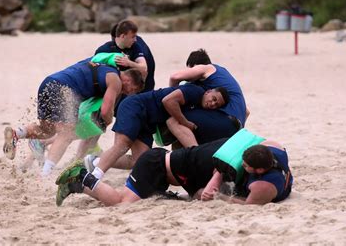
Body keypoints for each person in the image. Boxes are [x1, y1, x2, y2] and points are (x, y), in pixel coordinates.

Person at [2, 59, 144, 176]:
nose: (130, 94)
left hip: (49, 82)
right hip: (65, 89)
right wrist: (108, 121)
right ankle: (45, 174)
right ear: (130, 81)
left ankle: (16, 133)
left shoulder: (103, 65)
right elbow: (106, 110)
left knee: (46, 130)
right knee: (67, 133)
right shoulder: (116, 81)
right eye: (133, 90)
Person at [81, 84, 229, 183]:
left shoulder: (197, 105)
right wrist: (185, 122)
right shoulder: (195, 91)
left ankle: (95, 161)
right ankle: (94, 177)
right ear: (209, 92)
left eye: (217, 105)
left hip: (147, 123)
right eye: (214, 99)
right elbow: (168, 101)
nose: (213, 104)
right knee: (122, 145)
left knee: (139, 161)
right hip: (136, 107)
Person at [55, 138, 229, 206]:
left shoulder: (229, 150)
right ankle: (81, 175)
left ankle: (76, 185)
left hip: (163, 170)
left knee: (129, 198)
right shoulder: (222, 166)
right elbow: (203, 193)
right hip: (155, 166)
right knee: (120, 202)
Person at [75, 19, 156, 159]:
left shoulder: (136, 45)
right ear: (119, 36)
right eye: (132, 37)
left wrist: (129, 63)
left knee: (102, 124)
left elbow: (144, 69)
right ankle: (79, 158)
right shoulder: (106, 51)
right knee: (97, 123)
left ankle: (84, 156)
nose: (134, 40)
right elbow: (92, 70)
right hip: (117, 92)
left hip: (135, 91)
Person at [167, 49, 249, 147]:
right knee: (187, 131)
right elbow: (247, 112)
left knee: (175, 119)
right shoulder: (221, 76)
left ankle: (194, 155)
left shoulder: (207, 68)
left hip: (225, 120)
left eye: (190, 70)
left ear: (195, 66)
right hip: (236, 129)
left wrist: (171, 96)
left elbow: (174, 77)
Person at [201, 140, 293, 204]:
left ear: (260, 170)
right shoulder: (272, 146)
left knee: (202, 194)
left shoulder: (263, 186)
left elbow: (248, 205)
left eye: (245, 165)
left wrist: (220, 196)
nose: (241, 165)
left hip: (264, 194)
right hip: (263, 177)